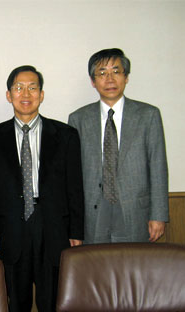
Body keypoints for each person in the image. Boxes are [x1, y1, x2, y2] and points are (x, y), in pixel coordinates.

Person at [0, 65, 84, 312]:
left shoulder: (66, 135)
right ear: (9, 95)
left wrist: (76, 230)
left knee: (53, 302)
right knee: (16, 302)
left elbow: (75, 187)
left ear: (41, 94)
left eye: (32, 87)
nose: (25, 94)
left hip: (53, 226)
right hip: (11, 228)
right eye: (18, 88)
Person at [68, 48, 169, 244]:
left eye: (116, 71)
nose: (110, 79)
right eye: (102, 73)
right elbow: (72, 176)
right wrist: (74, 224)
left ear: (126, 77)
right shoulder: (78, 119)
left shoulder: (148, 115)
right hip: (93, 213)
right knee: (96, 270)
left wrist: (159, 214)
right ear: (93, 81)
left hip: (135, 211)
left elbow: (158, 167)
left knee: (133, 269)